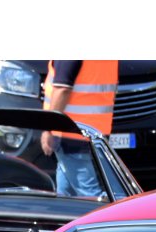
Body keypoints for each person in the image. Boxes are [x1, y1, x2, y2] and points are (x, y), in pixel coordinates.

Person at [41, 60, 117, 198]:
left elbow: (62, 89)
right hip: (94, 131)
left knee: (89, 197)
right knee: (66, 195)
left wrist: (48, 128)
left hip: (71, 134)